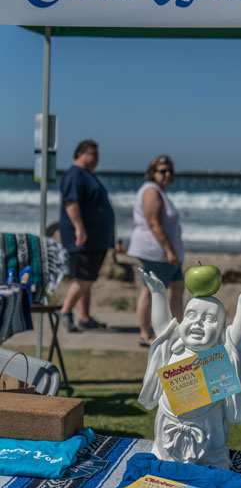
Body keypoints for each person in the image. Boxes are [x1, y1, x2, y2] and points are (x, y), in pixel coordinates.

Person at [138, 268, 241, 469]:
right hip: (169, 419)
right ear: (181, 322)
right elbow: (162, 325)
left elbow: (237, 339)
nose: (198, 322)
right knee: (164, 458)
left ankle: (209, 463)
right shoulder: (174, 345)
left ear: (221, 330)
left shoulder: (218, 354)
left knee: (212, 460)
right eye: (191, 315)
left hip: (208, 422)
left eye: (209, 319)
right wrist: (157, 293)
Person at [128, 155, 184, 346]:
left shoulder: (159, 191)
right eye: (162, 170)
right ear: (152, 173)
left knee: (177, 288)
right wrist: (168, 250)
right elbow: (153, 223)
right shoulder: (151, 191)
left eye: (169, 171)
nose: (167, 174)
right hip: (156, 252)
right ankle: (145, 334)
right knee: (152, 291)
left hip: (166, 252)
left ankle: (176, 331)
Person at [59, 140, 115, 332]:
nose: (97, 158)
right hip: (83, 239)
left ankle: (84, 317)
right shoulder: (75, 175)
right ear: (81, 153)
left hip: (96, 238)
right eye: (93, 153)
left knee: (88, 279)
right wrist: (79, 228)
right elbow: (71, 203)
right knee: (84, 278)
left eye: (97, 154)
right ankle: (66, 312)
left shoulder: (88, 175)